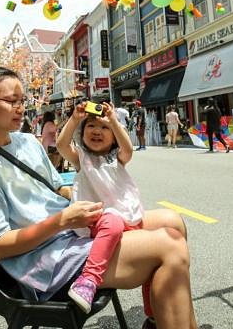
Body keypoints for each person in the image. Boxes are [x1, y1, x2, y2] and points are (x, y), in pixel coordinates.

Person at [0, 67, 197, 329]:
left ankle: (161, 319)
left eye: (22, 100)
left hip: (72, 232)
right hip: (47, 261)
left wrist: (98, 193)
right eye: (11, 101)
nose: (20, 108)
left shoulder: (27, 142)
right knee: (169, 245)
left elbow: (57, 189)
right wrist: (62, 221)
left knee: (173, 222)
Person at [55, 100, 154, 319]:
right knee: (112, 220)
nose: (97, 131)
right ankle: (88, 280)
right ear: (82, 133)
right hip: (97, 221)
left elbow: (128, 148)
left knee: (153, 256)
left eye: (104, 127)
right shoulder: (82, 158)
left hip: (127, 218)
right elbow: (61, 144)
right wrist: (74, 119)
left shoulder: (118, 158)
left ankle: (153, 313)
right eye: (91, 126)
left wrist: (114, 121)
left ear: (114, 136)